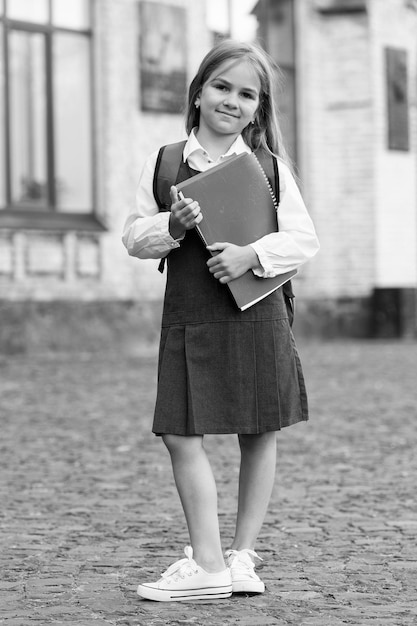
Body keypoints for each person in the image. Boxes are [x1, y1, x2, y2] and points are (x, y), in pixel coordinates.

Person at [122, 39, 320, 603]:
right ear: (199, 92)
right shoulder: (163, 162)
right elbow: (134, 237)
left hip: (257, 319)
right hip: (188, 317)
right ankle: (207, 560)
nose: (231, 100)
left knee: (258, 432)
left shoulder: (269, 168)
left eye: (246, 94)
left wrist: (251, 255)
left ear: (258, 108)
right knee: (181, 434)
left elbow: (304, 240)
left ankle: (241, 557)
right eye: (222, 87)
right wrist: (173, 225)